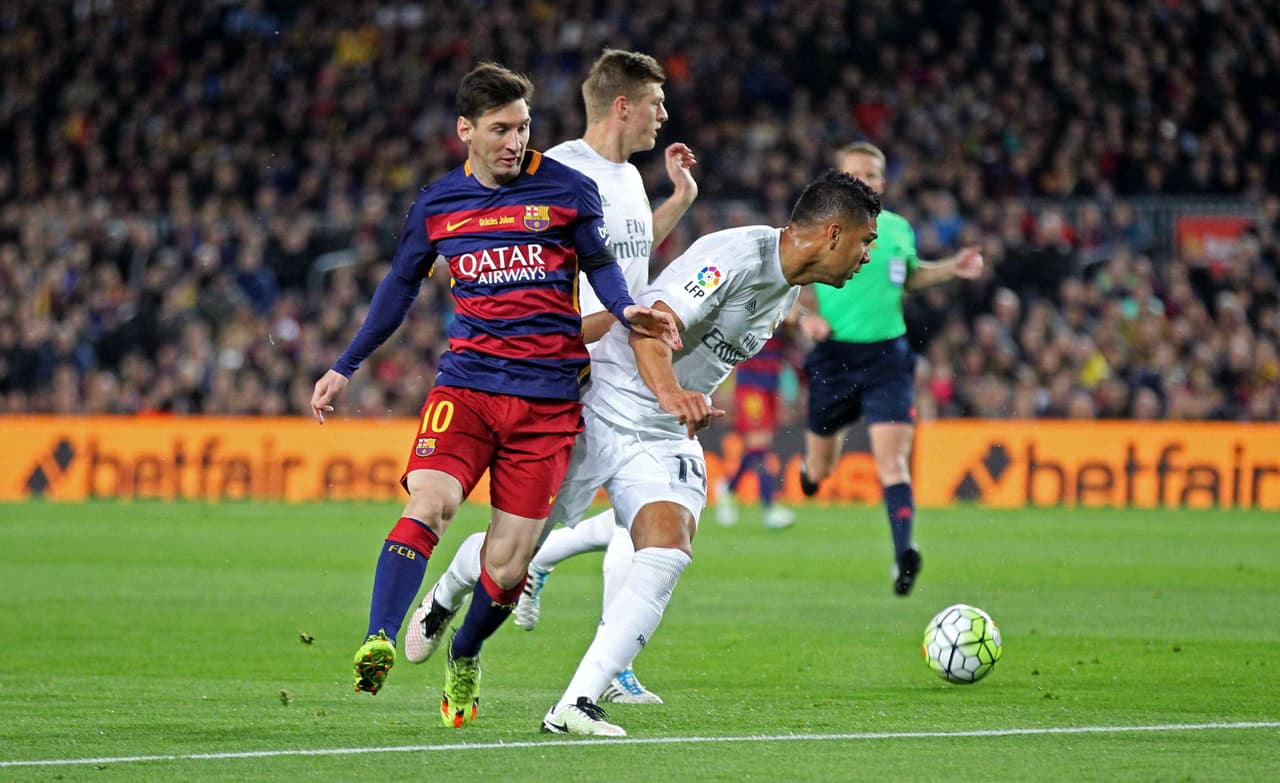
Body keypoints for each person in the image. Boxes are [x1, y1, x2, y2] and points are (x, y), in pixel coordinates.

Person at [404, 169, 879, 736]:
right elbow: (650, 331)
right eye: (865, 240)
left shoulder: (787, 291)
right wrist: (673, 393)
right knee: (513, 555)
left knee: (668, 542)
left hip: (659, 429)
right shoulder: (733, 256)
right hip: (605, 401)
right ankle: (447, 593)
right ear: (832, 233)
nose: (867, 255)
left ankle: (575, 704)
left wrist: (677, 403)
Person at [308, 63, 679, 725]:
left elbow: (601, 266)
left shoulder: (567, 190)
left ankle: (466, 651)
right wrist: (346, 364)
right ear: (466, 131)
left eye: (524, 127)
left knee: (507, 565)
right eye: (501, 128)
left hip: (547, 401)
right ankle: (380, 637)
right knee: (432, 499)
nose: (515, 140)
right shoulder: (437, 204)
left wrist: (626, 310)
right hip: (468, 386)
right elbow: (398, 289)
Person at [403, 49, 696, 707]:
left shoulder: (623, 179)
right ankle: (450, 591)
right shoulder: (558, 169)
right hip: (569, 389)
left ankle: (611, 672)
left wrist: (677, 202)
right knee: (520, 545)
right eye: (656, 102)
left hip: (630, 387)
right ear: (623, 106)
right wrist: (620, 321)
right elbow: (520, 286)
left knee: (646, 525)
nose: (664, 115)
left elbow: (624, 256)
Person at [795, 141, 984, 596]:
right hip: (834, 358)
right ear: (838, 181)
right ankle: (811, 474)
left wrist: (951, 269)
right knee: (819, 474)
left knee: (893, 463)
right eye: (857, 174)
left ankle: (904, 553)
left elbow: (911, 275)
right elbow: (787, 285)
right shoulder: (818, 227)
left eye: (875, 174)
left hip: (888, 359)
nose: (868, 181)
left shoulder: (897, 230)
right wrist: (807, 317)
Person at [712, 332, 797, 529]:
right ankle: (769, 508)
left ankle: (729, 487)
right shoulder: (757, 304)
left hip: (771, 382)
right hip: (750, 382)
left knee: (758, 448)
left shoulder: (786, 307)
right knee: (759, 446)